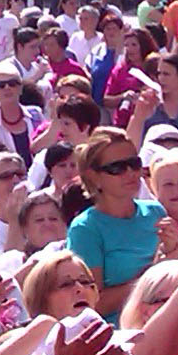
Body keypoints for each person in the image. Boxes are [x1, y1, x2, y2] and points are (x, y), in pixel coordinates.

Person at [64, 126, 166, 317]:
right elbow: (92, 303)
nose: (130, 173)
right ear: (94, 176)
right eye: (117, 168)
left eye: (134, 164)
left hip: (164, 324)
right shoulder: (85, 229)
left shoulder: (156, 212)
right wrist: (151, 277)